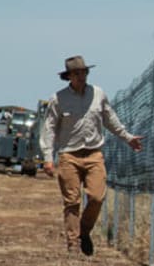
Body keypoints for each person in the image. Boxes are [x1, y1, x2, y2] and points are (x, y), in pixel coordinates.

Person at [39, 55, 144, 255]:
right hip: (69, 155)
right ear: (68, 76)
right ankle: (73, 244)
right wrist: (48, 158)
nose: (81, 76)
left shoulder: (98, 94)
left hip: (94, 154)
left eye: (84, 72)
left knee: (96, 197)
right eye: (76, 73)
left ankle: (84, 232)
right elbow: (49, 129)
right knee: (72, 202)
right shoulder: (58, 99)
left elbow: (110, 119)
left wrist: (127, 137)